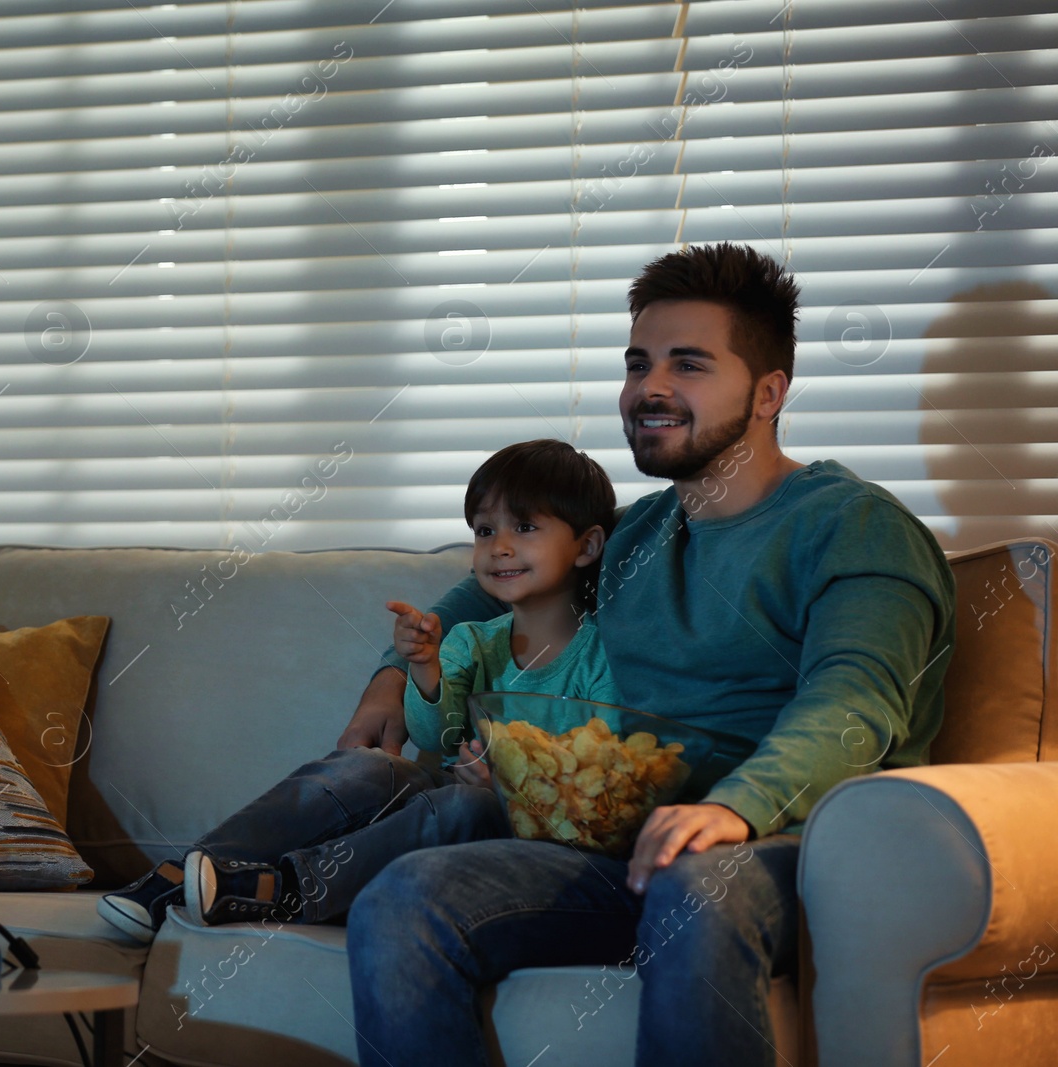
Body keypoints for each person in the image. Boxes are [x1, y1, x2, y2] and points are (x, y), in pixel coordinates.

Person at [345, 242, 956, 1067]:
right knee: (403, 898)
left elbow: (856, 703)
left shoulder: (853, 526)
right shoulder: (637, 533)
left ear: (769, 392)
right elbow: (487, 591)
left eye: (690, 364)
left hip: (790, 849)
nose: (651, 388)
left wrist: (734, 805)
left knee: (695, 882)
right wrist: (391, 673)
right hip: (623, 843)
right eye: (639, 364)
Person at [96, 439, 618, 942]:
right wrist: (425, 668)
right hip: (438, 797)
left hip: (509, 829)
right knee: (367, 767)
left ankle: (287, 890)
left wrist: (513, 781)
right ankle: (181, 874)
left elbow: (601, 775)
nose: (499, 546)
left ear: (587, 545)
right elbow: (434, 732)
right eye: (484, 530)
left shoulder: (602, 657)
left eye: (525, 527)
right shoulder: (470, 639)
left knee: (466, 805)